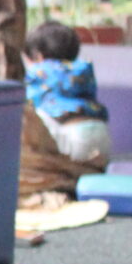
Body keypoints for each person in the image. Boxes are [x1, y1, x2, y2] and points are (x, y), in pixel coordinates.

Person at [24, 20, 113, 166]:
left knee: (30, 114)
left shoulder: (37, 73)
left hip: (71, 141)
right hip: (102, 137)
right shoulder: (82, 71)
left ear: (37, 56)